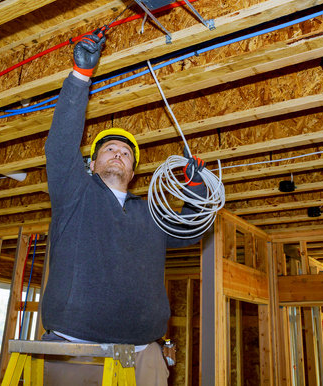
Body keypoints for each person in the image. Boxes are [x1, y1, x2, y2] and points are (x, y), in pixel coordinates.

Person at [40, 30, 207, 385]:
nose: (118, 152)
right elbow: (60, 146)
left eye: (126, 152)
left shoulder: (150, 213)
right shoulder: (75, 195)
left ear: (132, 172)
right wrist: (79, 77)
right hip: (76, 352)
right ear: (92, 164)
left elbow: (189, 232)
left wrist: (195, 190)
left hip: (142, 354)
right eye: (108, 149)